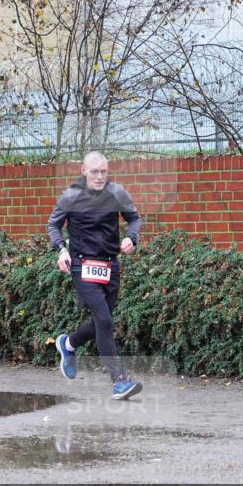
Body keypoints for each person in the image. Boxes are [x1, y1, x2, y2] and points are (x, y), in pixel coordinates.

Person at [47, 151, 143, 400]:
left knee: (103, 321)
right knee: (105, 322)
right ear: (83, 170)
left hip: (111, 266)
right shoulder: (71, 196)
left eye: (104, 172)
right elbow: (53, 225)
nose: (99, 177)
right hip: (82, 266)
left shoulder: (117, 193)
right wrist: (61, 250)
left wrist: (131, 237)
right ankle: (119, 381)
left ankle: (68, 344)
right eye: (94, 172)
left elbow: (134, 219)